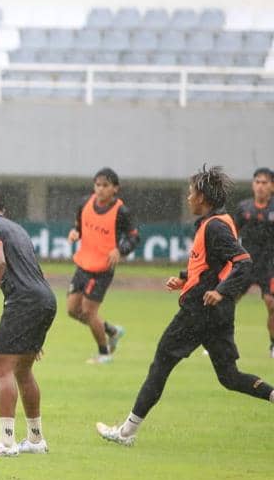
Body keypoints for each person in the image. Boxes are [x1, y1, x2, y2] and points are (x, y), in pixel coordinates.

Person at [97, 166, 273, 446]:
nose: (188, 197)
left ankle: (126, 433)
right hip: (217, 312)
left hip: (198, 311)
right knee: (229, 377)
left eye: (191, 192)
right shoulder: (218, 220)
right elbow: (213, 265)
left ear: (202, 196)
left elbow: (243, 261)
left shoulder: (214, 226)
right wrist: (184, 279)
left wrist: (220, 291)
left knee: (161, 364)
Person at [0, 186, 58, 457]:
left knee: (1, 368)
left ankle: (6, 443)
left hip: (24, 302)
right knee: (22, 369)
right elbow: (31, 268)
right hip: (44, 298)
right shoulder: (16, 228)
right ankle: (35, 439)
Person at [66, 167, 139, 364]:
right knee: (73, 310)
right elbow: (79, 226)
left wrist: (120, 250)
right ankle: (111, 331)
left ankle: (104, 354)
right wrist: (75, 232)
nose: (100, 189)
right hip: (83, 264)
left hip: (102, 269)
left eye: (105, 185)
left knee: (89, 312)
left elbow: (133, 237)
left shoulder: (121, 212)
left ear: (115, 188)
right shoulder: (84, 203)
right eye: (97, 185)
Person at [232, 166, 274, 358]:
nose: (260, 186)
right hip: (245, 263)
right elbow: (232, 233)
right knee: (229, 301)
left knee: (271, 303)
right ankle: (221, 341)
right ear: (252, 185)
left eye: (265, 183)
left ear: (272, 186)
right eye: (257, 182)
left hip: (270, 265)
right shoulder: (243, 208)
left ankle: (273, 344)